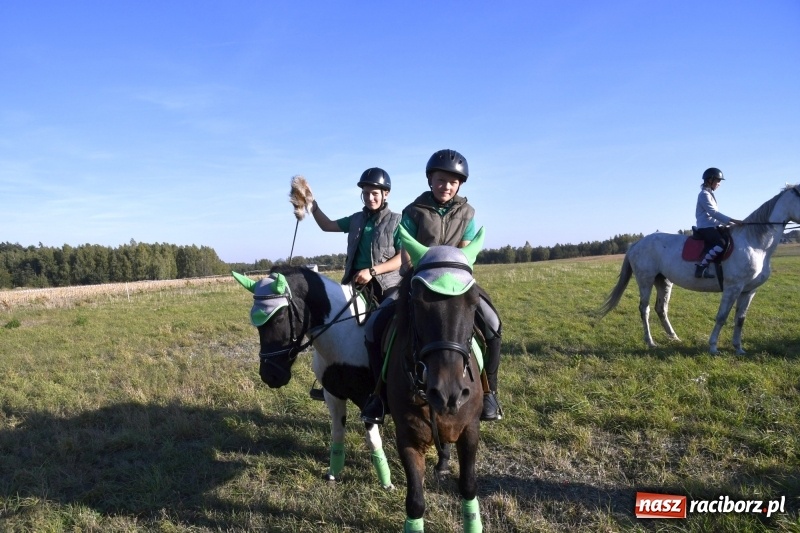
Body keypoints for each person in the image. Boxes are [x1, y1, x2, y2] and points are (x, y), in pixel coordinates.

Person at [360, 149, 505, 424]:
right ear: (430, 180)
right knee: (373, 327)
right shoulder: (413, 211)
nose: (446, 186)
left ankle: (489, 393)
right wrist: (413, 269)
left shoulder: (468, 213)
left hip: (458, 284)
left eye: (452, 181)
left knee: (493, 326)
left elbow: (465, 253)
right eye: (441, 180)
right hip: (421, 281)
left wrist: (454, 272)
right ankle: (378, 395)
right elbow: (405, 253)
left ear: (460, 184)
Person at [308, 168, 403, 399]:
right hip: (354, 284)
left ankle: (385, 382)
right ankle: (332, 379)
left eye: (375, 194)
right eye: (366, 194)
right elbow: (327, 225)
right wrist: (312, 204)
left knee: (381, 330)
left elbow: (402, 257)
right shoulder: (356, 219)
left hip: (387, 285)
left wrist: (373, 271)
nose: (370, 198)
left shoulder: (397, 221)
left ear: (386, 194)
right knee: (329, 327)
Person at [694, 167, 742, 278]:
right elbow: (713, 213)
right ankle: (701, 267)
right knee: (721, 243)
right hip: (705, 227)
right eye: (718, 181)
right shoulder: (704, 195)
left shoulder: (709, 194)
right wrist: (733, 220)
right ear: (710, 180)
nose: (719, 184)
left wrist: (730, 224)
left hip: (712, 226)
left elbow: (715, 216)